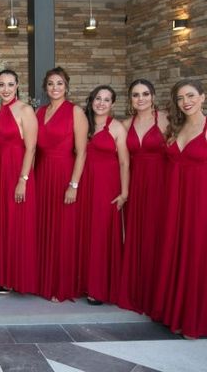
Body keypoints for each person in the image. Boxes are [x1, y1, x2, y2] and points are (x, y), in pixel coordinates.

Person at [153, 79, 206, 339]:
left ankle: (195, 320)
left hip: (200, 202)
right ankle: (175, 312)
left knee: (196, 256)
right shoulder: (177, 126)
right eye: (181, 98)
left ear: (203, 97)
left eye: (191, 96)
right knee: (176, 250)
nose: (186, 102)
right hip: (175, 200)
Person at [35, 67, 88, 302]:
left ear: (66, 86)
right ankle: (43, 281)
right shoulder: (39, 112)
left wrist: (73, 185)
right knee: (44, 228)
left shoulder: (75, 112)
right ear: (45, 88)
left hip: (65, 173)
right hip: (42, 174)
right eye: (50, 84)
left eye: (59, 83)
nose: (54, 88)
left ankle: (62, 285)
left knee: (63, 230)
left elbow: (82, 152)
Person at [118, 79, 168, 315]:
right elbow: (122, 162)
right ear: (130, 99)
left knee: (157, 237)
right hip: (136, 186)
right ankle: (137, 293)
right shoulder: (126, 124)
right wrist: (124, 192)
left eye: (145, 93)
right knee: (136, 237)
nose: (141, 98)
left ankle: (157, 295)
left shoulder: (166, 120)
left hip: (161, 185)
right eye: (136, 94)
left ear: (153, 96)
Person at [0, 70, 39, 296]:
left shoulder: (25, 110)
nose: (5, 89)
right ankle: (0, 274)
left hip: (17, 171)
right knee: (0, 222)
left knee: (16, 223)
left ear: (17, 85)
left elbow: (31, 147)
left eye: (10, 84)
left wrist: (23, 180)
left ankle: (14, 277)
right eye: (1, 85)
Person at [77, 85, 129, 305]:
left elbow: (125, 162)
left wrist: (124, 193)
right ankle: (80, 282)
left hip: (106, 187)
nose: (101, 103)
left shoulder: (117, 128)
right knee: (83, 232)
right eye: (98, 98)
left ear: (112, 104)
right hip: (82, 184)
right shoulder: (82, 124)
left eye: (107, 100)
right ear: (91, 100)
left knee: (101, 235)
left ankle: (98, 288)